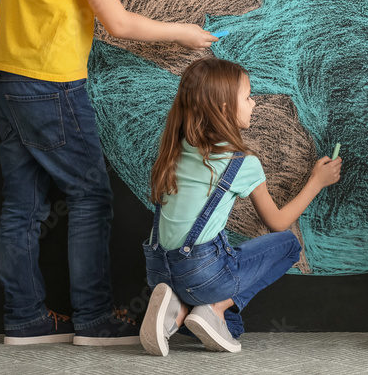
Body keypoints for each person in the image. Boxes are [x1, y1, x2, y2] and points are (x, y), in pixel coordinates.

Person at [0, 0, 218, 346]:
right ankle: (93, 319)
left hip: (6, 83)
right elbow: (117, 25)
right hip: (51, 88)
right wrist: (183, 33)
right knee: (91, 197)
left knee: (22, 208)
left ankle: (25, 320)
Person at [140, 57, 342, 355]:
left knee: (232, 328)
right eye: (247, 97)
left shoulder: (175, 147)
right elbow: (277, 222)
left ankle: (180, 307)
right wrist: (316, 181)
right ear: (224, 108)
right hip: (203, 275)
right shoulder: (242, 163)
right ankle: (210, 306)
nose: (254, 104)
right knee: (287, 244)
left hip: (158, 270)